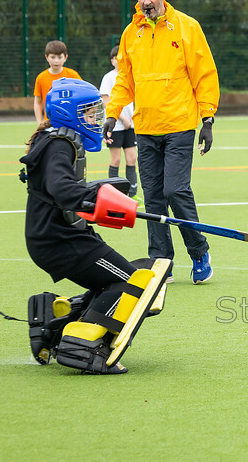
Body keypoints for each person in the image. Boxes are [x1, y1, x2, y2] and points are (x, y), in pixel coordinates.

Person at [20, 77, 170, 374]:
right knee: (130, 284)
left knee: (111, 282)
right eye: (89, 112)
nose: (96, 118)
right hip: (58, 240)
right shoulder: (59, 145)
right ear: (67, 112)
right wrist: (101, 200)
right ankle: (81, 349)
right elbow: (62, 189)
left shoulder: (58, 139)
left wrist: (104, 197)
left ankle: (52, 324)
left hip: (62, 235)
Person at [104, 0, 219, 284]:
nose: (146, 1)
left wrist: (207, 120)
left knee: (175, 190)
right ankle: (161, 261)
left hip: (180, 125)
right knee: (153, 196)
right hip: (145, 127)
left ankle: (199, 252)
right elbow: (125, 80)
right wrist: (112, 114)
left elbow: (204, 74)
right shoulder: (131, 34)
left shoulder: (186, 27)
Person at [99, 46, 139, 199]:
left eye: (121, 57)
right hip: (115, 126)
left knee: (132, 159)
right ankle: (114, 195)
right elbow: (106, 100)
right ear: (112, 61)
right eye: (116, 58)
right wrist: (122, 118)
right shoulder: (109, 77)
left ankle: (133, 195)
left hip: (131, 126)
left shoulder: (131, 74)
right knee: (115, 160)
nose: (118, 60)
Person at [33, 40, 82, 127]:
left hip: (71, 122)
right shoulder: (41, 78)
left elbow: (82, 96)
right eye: (53, 57)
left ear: (65, 57)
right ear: (46, 57)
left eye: (59, 57)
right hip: (50, 124)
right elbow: (37, 102)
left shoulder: (73, 75)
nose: (56, 61)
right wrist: (40, 123)